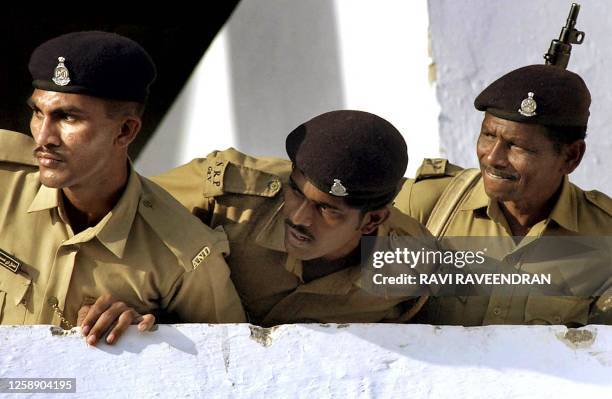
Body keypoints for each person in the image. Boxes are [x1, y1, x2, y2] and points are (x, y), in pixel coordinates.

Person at [0, 31, 245, 345]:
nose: (44, 136)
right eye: (38, 112)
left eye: (67, 117)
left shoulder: (184, 253)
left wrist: (155, 335)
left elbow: (230, 359)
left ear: (125, 130)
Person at [152, 110, 435, 326]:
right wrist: (126, 298)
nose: (300, 218)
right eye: (296, 193)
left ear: (371, 221)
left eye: (327, 209)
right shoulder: (227, 193)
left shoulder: (416, 265)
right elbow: (125, 213)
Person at [394, 64, 612, 326]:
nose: (492, 157)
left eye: (516, 146)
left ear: (570, 156)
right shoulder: (425, 204)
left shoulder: (604, 236)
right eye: (488, 135)